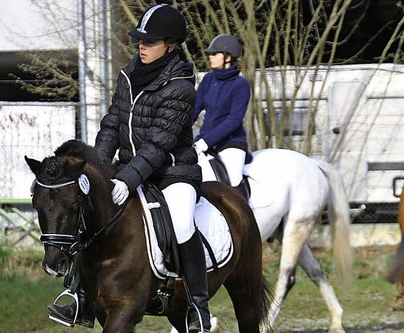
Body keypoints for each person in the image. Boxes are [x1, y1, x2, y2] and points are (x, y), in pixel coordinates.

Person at [47, 4, 211, 332]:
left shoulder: (181, 87)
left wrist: (127, 178)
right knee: (91, 212)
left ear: (171, 46)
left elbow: (158, 144)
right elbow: (111, 125)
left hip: (172, 173)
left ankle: (197, 305)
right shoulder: (129, 75)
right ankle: (80, 296)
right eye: (140, 41)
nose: (141, 46)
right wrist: (98, 167)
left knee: (180, 223)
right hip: (126, 168)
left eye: (150, 42)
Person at [192, 34, 251, 199]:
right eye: (210, 54)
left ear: (228, 57)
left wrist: (206, 141)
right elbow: (194, 110)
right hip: (203, 141)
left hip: (231, 143)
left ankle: (244, 218)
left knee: (233, 177)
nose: (210, 57)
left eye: (214, 54)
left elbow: (234, 120)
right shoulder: (208, 80)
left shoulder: (241, 85)